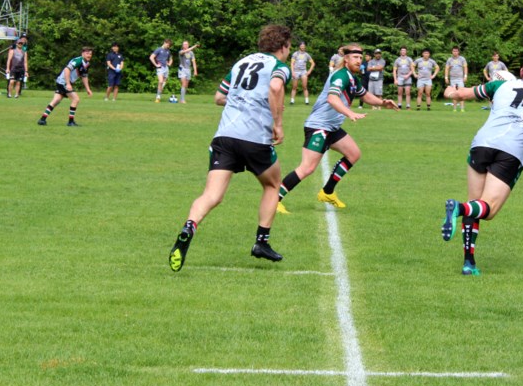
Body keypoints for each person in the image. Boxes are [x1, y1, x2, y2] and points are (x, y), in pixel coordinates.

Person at [168, 24, 294, 272]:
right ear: (283, 46)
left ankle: (189, 227)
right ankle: (261, 242)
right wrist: (278, 124)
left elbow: (218, 98)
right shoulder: (279, 67)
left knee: (212, 195)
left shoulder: (241, 63)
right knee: (272, 185)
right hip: (255, 137)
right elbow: (276, 87)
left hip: (224, 136)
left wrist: (241, 100)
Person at [438, 57, 523, 276]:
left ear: (521, 71)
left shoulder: (499, 85)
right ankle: (458, 208)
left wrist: (450, 91)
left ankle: (469, 263)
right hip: (510, 151)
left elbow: (461, 94)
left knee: (475, 204)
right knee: (487, 210)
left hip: (481, 143)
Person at [276, 44, 399, 214]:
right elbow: (333, 98)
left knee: (354, 154)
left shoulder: (353, 78)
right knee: (307, 168)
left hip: (332, 128)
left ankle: (327, 192)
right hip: (318, 126)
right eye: (355, 58)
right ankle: (275, 199)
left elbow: (365, 95)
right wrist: (350, 113)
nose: (359, 61)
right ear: (346, 59)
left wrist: (382, 102)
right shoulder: (340, 76)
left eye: (360, 58)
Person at [37, 47, 93, 126]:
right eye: (87, 53)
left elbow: (84, 76)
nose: (89, 55)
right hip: (63, 82)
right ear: (82, 53)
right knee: (75, 99)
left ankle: (42, 120)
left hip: (62, 82)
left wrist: (88, 89)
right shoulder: (78, 61)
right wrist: (68, 84)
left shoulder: (86, 64)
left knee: (56, 100)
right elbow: (67, 69)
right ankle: (70, 122)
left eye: (90, 54)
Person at [444, 46, 469, 112]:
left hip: (460, 78)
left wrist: (465, 76)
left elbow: (465, 67)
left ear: (458, 52)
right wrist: (446, 77)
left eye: (456, 51)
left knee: (461, 93)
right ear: (452, 52)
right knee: (454, 94)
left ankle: (462, 108)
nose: (455, 52)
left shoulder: (462, 59)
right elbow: (446, 68)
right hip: (452, 79)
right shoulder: (449, 59)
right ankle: (454, 108)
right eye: (454, 51)